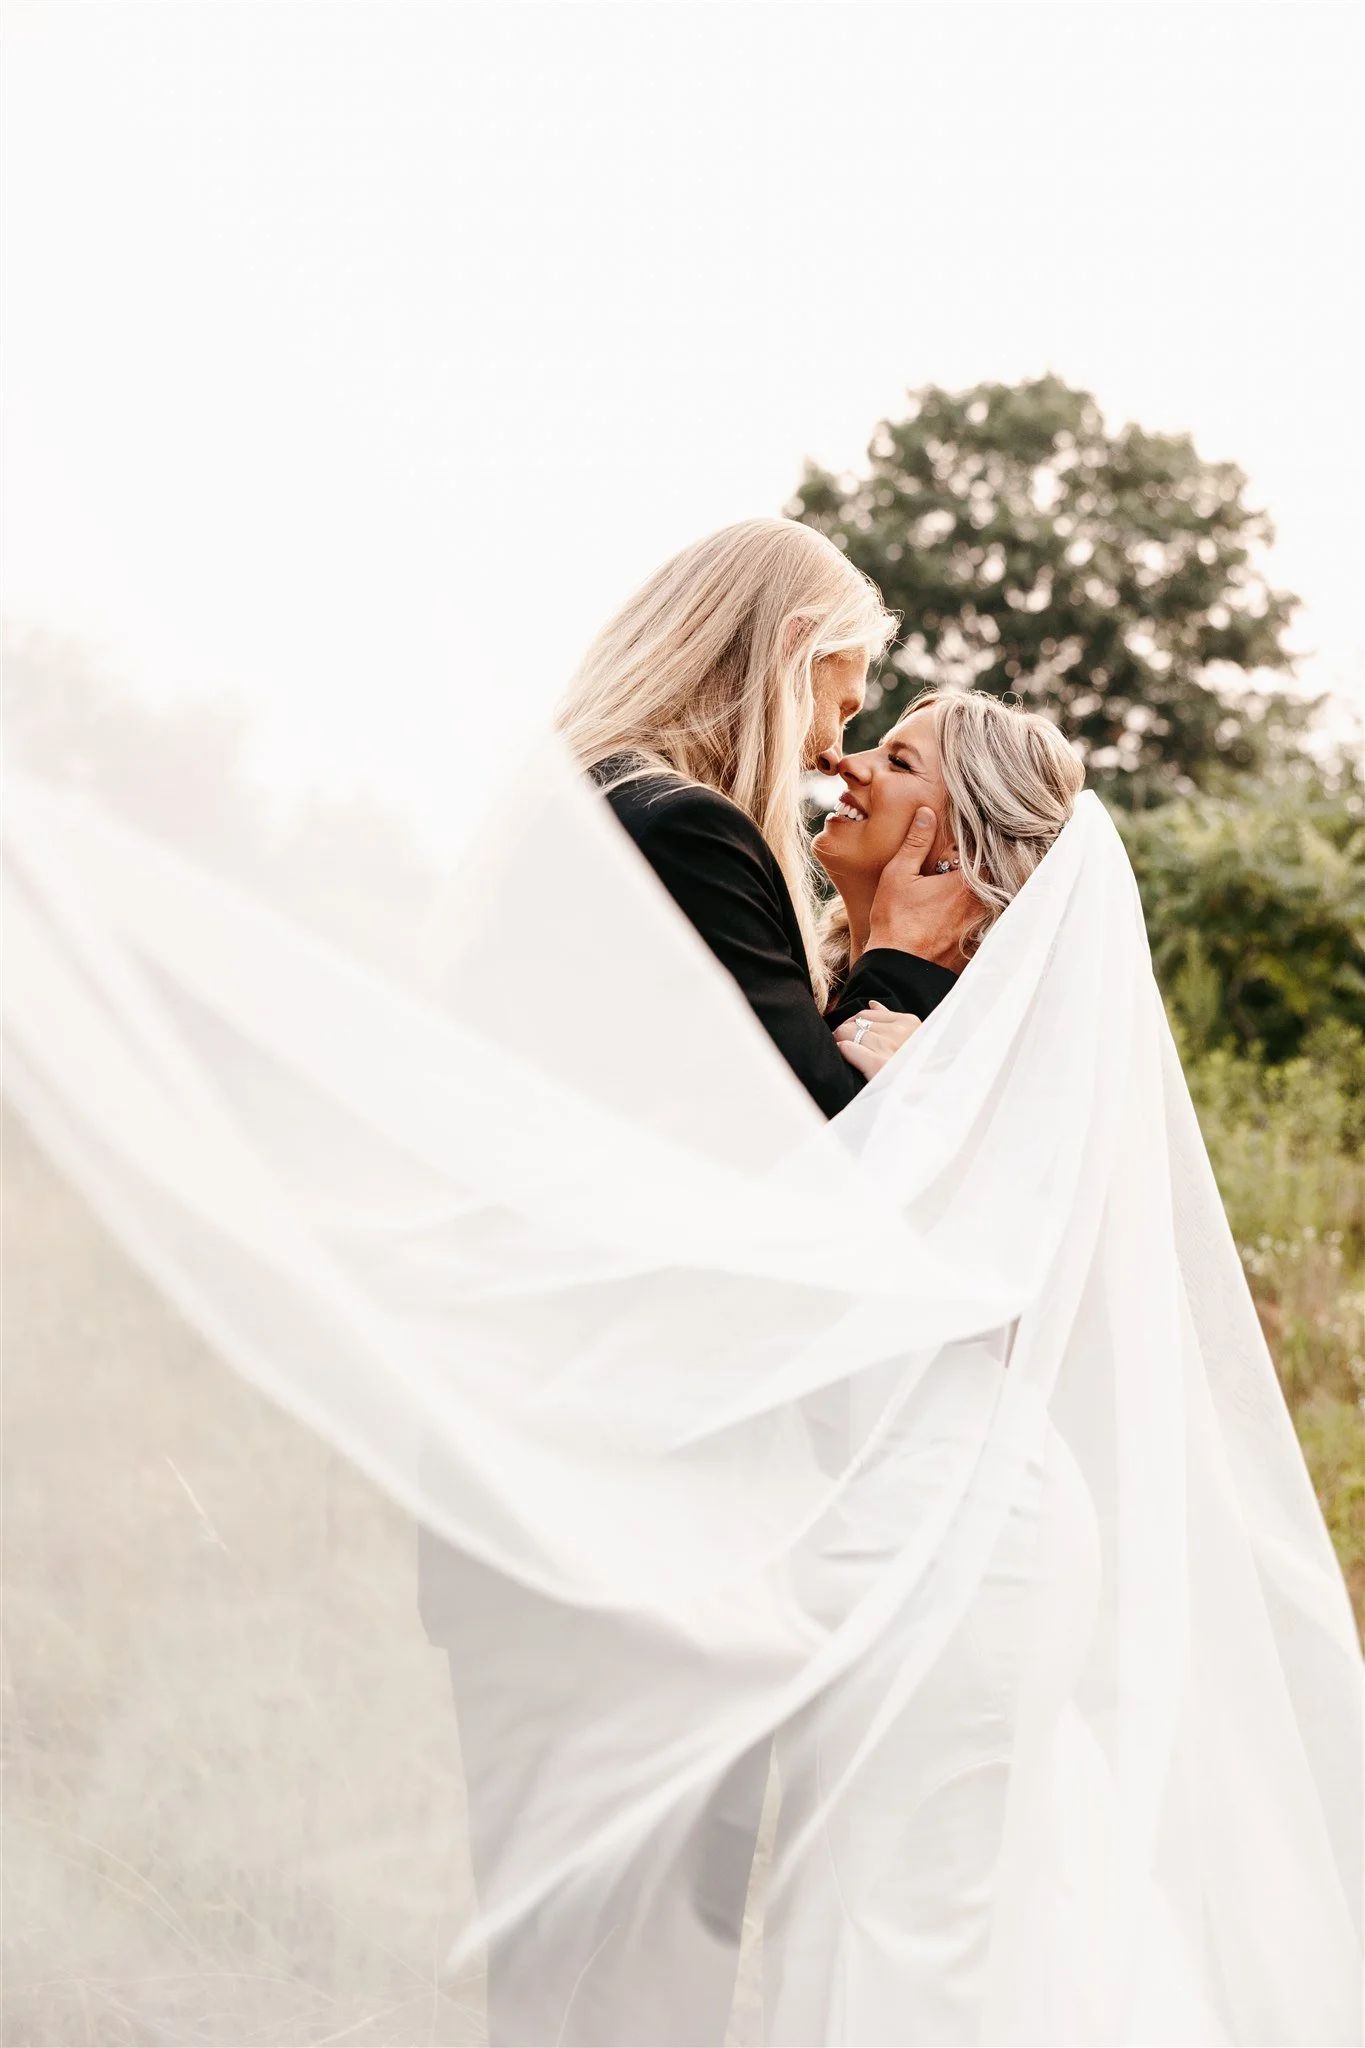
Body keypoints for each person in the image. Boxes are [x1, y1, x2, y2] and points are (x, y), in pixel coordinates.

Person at [555, 517, 979, 1117]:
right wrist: (899, 955)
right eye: (843, 706)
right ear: (792, 648)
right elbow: (819, 1141)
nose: (834, 753)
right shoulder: (686, 832)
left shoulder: (590, 797)